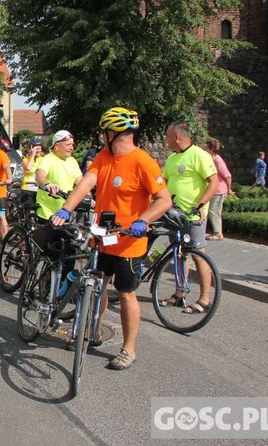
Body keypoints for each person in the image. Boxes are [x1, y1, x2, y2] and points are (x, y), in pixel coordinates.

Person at [52, 107, 172, 370]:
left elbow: (164, 200)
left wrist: (144, 220)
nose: (100, 135)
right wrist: (66, 209)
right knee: (97, 285)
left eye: (103, 131)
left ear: (113, 132)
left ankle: (128, 349)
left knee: (126, 293)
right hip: (102, 237)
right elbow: (85, 184)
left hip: (129, 242)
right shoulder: (104, 157)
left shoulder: (143, 162)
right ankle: (91, 331)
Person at [161, 121, 218, 314]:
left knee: (198, 256)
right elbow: (165, 184)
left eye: (168, 135)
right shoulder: (171, 159)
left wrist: (200, 205)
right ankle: (179, 293)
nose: (166, 139)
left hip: (192, 217)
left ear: (177, 137)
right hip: (174, 216)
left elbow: (214, 182)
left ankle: (204, 299)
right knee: (179, 255)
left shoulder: (200, 156)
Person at [36, 130, 82, 223]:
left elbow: (81, 182)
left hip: (66, 211)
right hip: (47, 213)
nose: (71, 148)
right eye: (68, 145)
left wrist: (89, 197)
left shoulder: (72, 161)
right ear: (57, 146)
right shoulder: (48, 159)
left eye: (72, 145)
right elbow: (40, 176)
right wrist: (47, 184)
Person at [206, 139, 234, 241]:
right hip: (217, 189)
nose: (205, 149)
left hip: (219, 190)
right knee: (215, 211)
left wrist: (228, 188)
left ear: (211, 148)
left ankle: (218, 233)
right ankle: (217, 232)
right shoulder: (213, 159)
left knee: (213, 211)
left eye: (207, 147)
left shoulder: (217, 160)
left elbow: (227, 176)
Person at [19, 137, 43, 209]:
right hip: (28, 188)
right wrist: (32, 155)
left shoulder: (43, 159)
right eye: (36, 148)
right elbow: (28, 168)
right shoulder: (26, 159)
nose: (38, 150)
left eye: (39, 148)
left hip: (40, 189)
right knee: (28, 210)